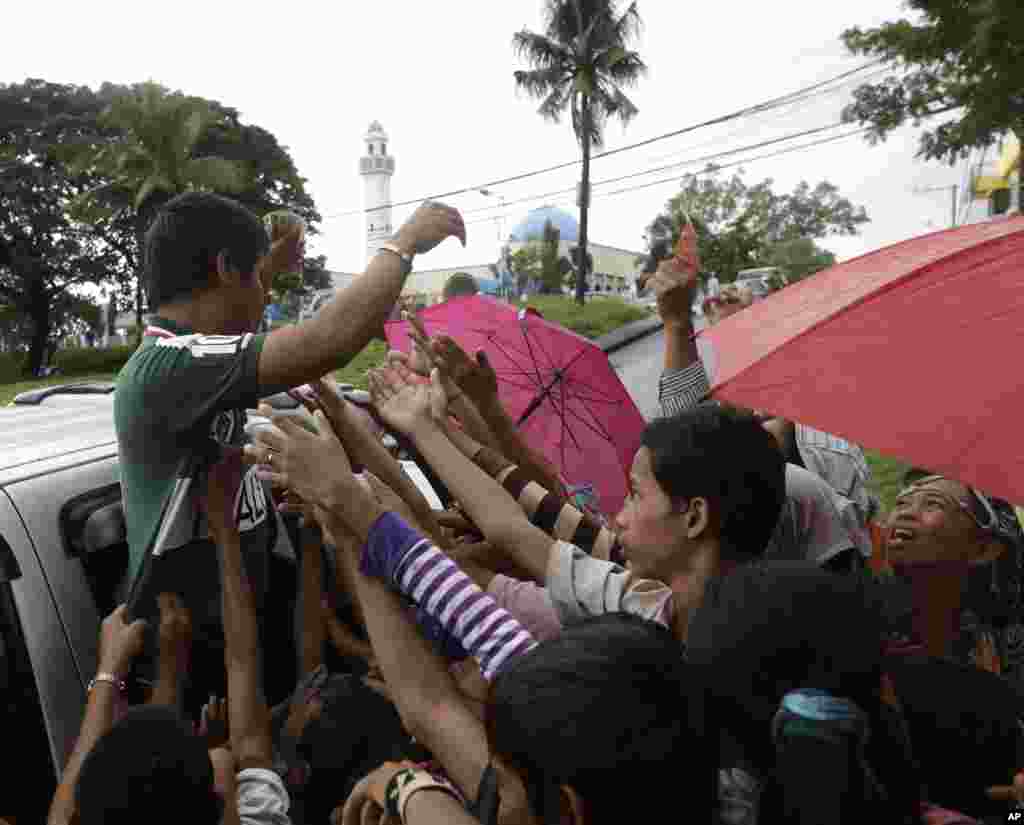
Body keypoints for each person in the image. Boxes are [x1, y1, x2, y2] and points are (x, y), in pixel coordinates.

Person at [114, 192, 464, 679]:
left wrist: (264, 262)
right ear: (224, 269)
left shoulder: (194, 361)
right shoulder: (167, 367)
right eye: (260, 279)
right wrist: (403, 244)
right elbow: (329, 340)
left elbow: (247, 311)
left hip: (240, 639)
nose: (268, 295)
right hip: (197, 663)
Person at [650, 254, 880, 529]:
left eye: (739, 299)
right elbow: (683, 444)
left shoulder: (828, 443)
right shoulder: (716, 404)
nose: (725, 296)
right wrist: (677, 324)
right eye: (719, 301)